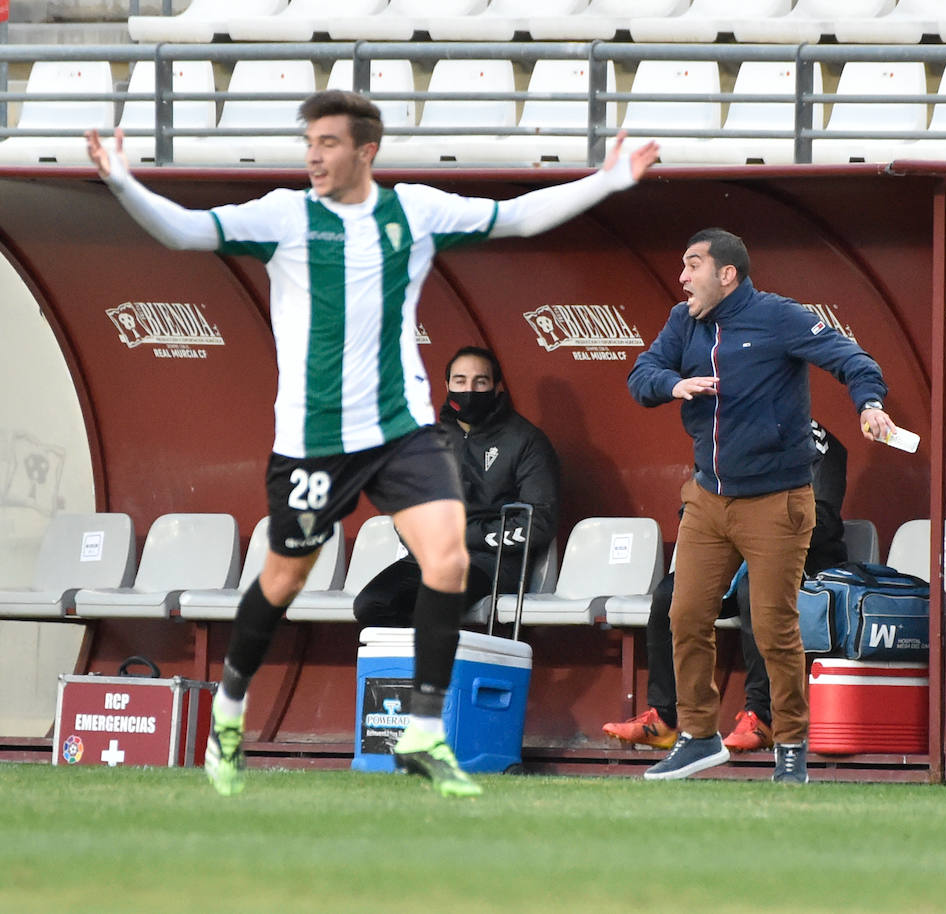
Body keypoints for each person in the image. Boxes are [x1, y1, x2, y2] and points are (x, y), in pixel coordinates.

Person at [85, 91, 657, 798]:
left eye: (327, 142)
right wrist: (122, 180)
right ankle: (229, 709)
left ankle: (422, 730)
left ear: (366, 151)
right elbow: (184, 231)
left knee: (447, 561)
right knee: (284, 578)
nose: (314, 155)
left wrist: (608, 180)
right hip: (314, 440)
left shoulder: (412, 210)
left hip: (402, 431)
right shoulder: (285, 215)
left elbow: (516, 219)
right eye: (310, 143)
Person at [627, 228, 894, 784]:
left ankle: (791, 744)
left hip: (777, 501)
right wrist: (674, 385)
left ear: (728, 274)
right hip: (707, 497)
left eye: (692, 265)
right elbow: (640, 376)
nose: (682, 277)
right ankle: (699, 737)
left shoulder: (780, 316)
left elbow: (853, 359)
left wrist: (869, 405)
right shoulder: (684, 321)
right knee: (684, 613)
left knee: (773, 627)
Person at [602, 419, 848, 754]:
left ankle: (762, 717)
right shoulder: (726, 435)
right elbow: (696, 503)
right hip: (732, 557)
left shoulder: (816, 441)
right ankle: (665, 717)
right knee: (670, 595)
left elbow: (825, 518)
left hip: (801, 559)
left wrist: (760, 525)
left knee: (754, 593)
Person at [353, 345, 558, 627]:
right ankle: (413, 670)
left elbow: (539, 523)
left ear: (497, 387)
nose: (469, 389)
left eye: (480, 382)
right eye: (460, 381)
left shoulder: (525, 440)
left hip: (489, 563)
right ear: (447, 384)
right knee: (371, 604)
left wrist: (467, 535)